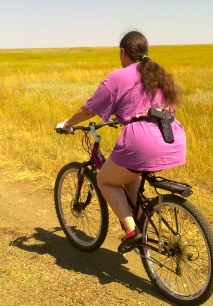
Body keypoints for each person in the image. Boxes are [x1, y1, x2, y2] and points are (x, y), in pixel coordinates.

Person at [56, 31, 186, 253]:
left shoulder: (119, 76)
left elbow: (89, 109)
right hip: (173, 137)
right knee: (128, 175)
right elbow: (144, 105)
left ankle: (131, 231)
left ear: (123, 52)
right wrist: (123, 116)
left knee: (105, 180)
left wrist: (67, 124)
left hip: (143, 142)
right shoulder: (156, 73)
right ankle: (142, 226)